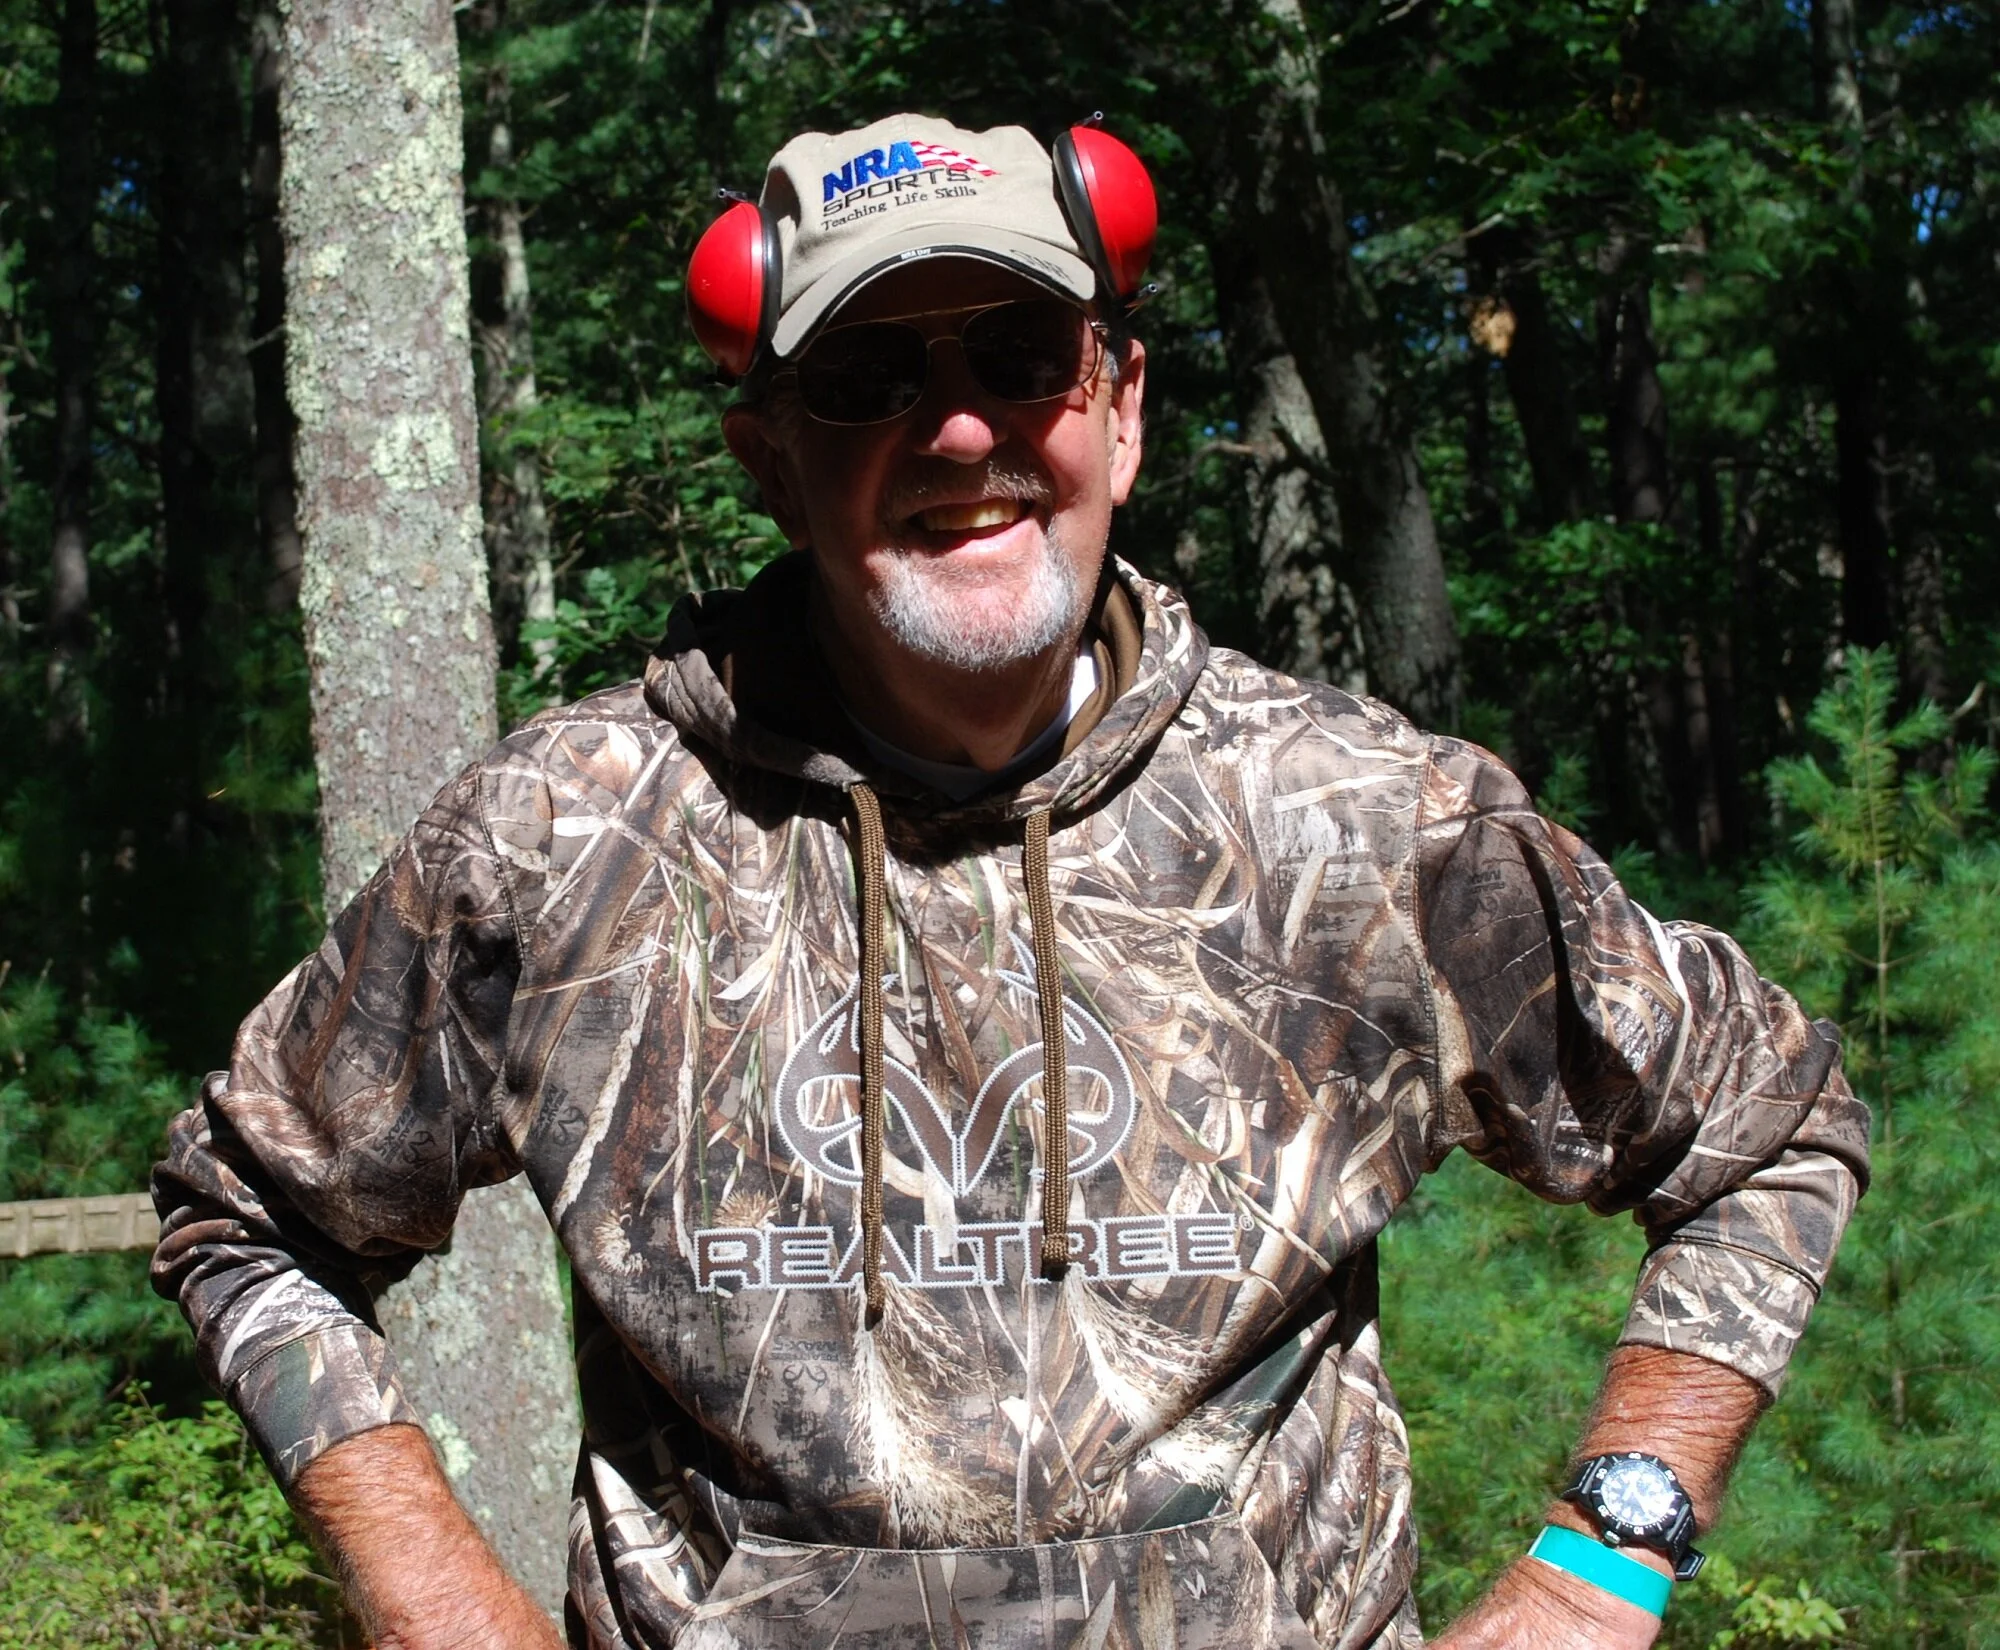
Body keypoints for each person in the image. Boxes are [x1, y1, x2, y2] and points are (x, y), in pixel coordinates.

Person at [153, 114, 1868, 1650]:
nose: (961, 424)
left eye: (1021, 352)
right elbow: (251, 1210)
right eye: (866, 378)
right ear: (771, 458)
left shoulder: (1356, 820)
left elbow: (1766, 1133)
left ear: (1118, 413)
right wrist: (433, 1592)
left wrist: (1602, 1566)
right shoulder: (567, 839)